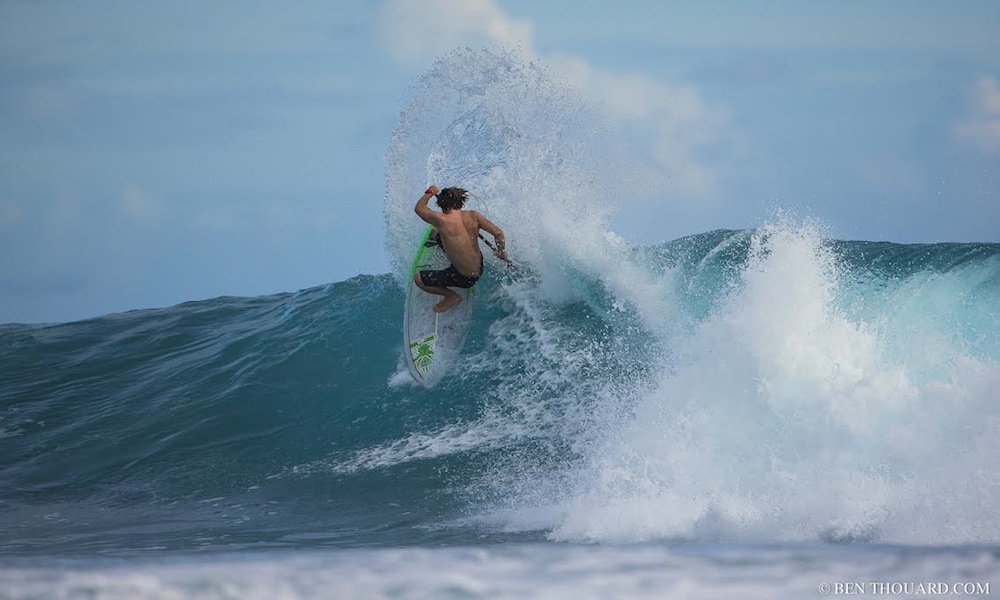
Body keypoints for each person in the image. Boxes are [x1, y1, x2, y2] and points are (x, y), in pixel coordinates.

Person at [414, 185, 506, 312]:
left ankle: (451, 296)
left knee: (418, 278)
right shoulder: (474, 216)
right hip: (479, 267)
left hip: (464, 278)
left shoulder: (441, 220)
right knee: (436, 232)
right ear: (460, 201)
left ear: (440, 204)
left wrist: (430, 192)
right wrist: (501, 251)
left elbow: (419, 208)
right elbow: (499, 234)